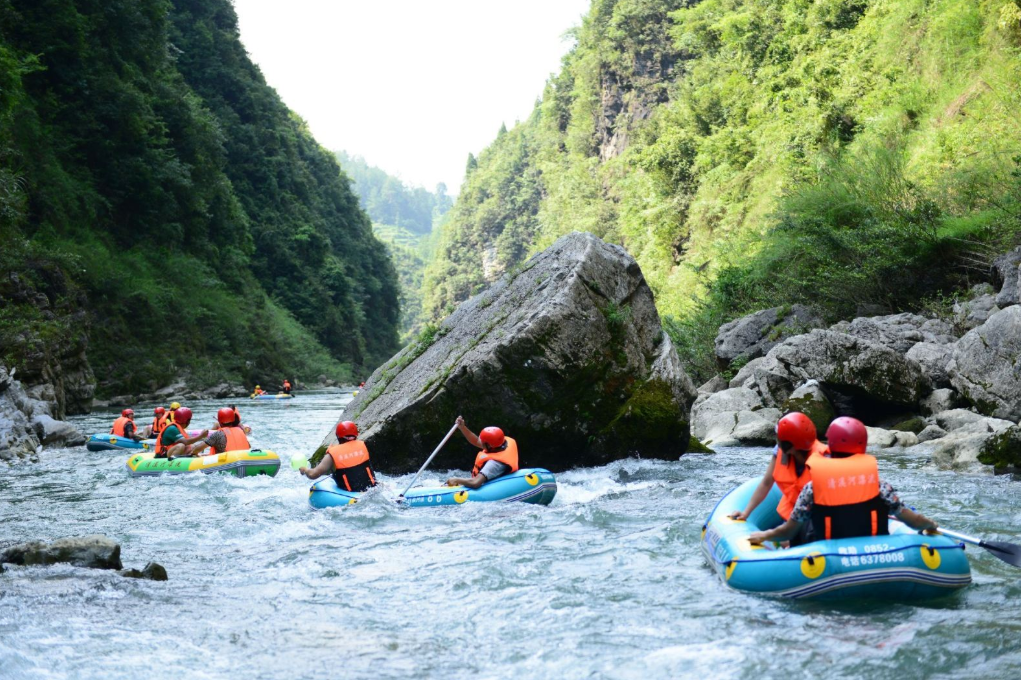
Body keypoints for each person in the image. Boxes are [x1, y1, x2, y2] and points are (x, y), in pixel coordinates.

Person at [749, 417, 938, 545]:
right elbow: (913, 522)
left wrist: (764, 535)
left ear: (831, 445)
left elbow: (788, 532)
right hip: (876, 555)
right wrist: (930, 525)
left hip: (828, 555)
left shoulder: (812, 488)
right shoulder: (879, 486)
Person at [729, 412, 829, 539]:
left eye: (779, 439)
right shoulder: (781, 451)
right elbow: (766, 483)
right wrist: (746, 513)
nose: (778, 442)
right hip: (793, 515)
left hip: (814, 519)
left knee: (789, 540)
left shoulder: (824, 459)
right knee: (784, 539)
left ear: (789, 446)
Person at [298, 421, 377, 492]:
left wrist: (304, 470)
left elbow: (313, 474)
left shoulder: (332, 454)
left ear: (338, 436)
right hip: (373, 489)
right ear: (356, 435)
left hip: (351, 494)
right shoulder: (363, 445)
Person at [445, 416, 519, 489]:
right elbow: (476, 441)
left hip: (491, 487)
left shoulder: (494, 464)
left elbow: (475, 483)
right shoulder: (501, 443)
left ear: (489, 445)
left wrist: (456, 480)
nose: (480, 442)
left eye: (483, 442)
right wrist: (462, 427)